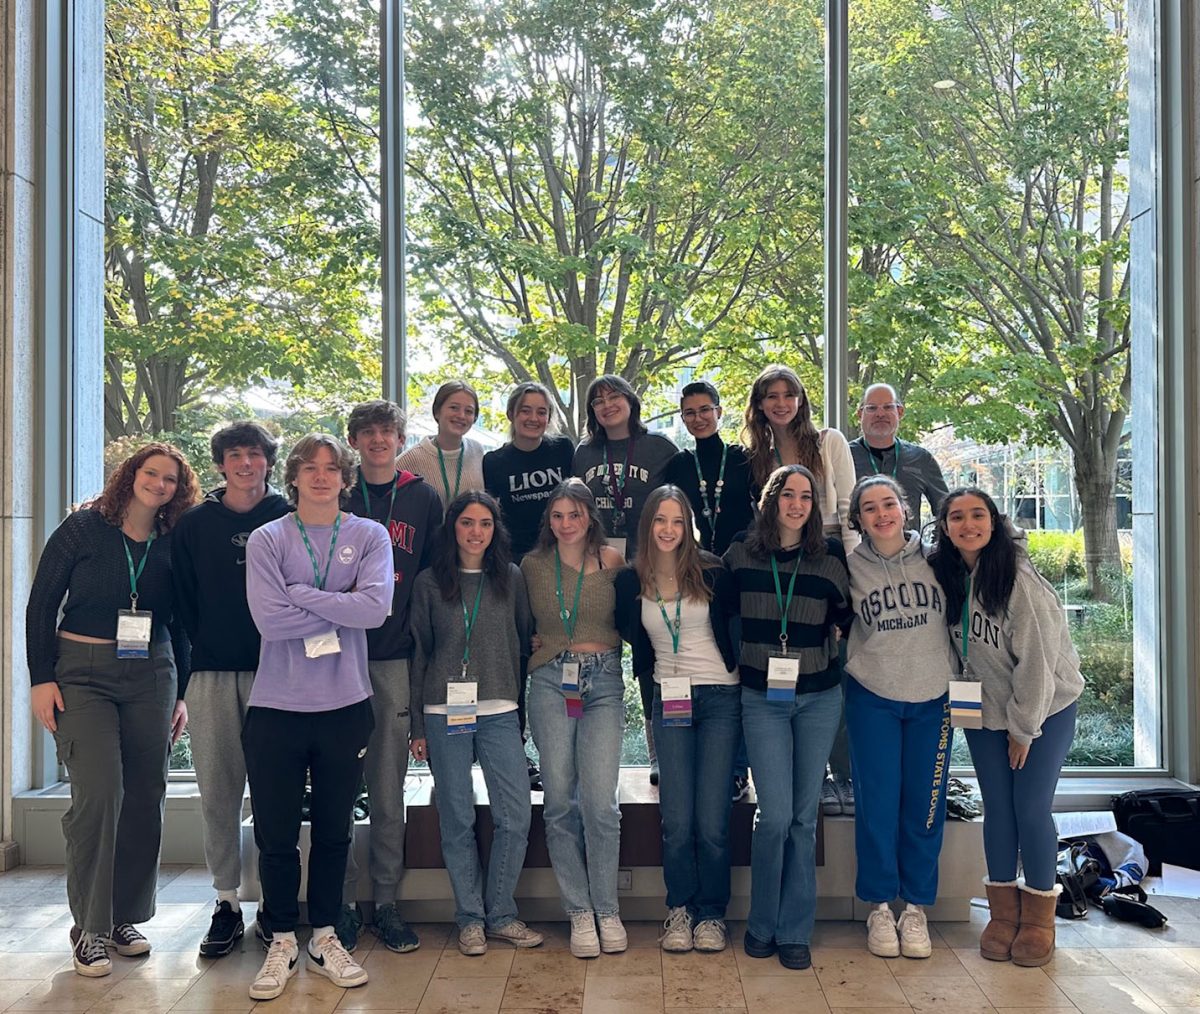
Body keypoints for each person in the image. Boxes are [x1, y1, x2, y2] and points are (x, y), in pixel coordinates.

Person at [26, 442, 198, 977]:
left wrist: (184, 692)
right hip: (82, 671)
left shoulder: (173, 542)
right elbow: (40, 603)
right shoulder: (82, 528)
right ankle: (90, 929)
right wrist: (40, 679)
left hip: (153, 671)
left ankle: (124, 917)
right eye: (152, 473)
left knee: (146, 792)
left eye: (171, 479)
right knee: (101, 791)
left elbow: (185, 621)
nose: (160, 485)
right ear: (131, 475)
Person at [242, 434, 392, 1002]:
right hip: (276, 707)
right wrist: (337, 603)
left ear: (346, 477)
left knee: (334, 832)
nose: (323, 477)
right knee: (276, 833)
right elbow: (269, 622)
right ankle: (280, 935)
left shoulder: (369, 535)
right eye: (312, 468)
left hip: (345, 705)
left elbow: (375, 609)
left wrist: (299, 594)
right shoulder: (268, 538)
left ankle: (325, 935)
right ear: (295, 477)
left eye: (333, 468)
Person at [928, 487, 1083, 968]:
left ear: (994, 522)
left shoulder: (1017, 580)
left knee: (1031, 809)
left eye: (978, 515)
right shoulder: (949, 575)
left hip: (1043, 710)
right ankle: (1002, 914)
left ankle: (1039, 918)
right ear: (945, 527)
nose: (967, 524)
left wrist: (1024, 729)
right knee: (998, 809)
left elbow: (1038, 663)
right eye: (957, 517)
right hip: (984, 712)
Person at [722, 464, 851, 971]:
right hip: (762, 698)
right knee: (774, 816)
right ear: (770, 500)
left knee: (802, 817)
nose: (796, 504)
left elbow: (846, 615)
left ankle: (795, 929)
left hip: (819, 697)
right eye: (787, 495)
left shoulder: (830, 558)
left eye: (806, 496)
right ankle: (761, 924)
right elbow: (721, 614)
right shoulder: (740, 553)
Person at [171, 422, 290, 959]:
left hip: (280, 674)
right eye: (235, 455)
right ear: (221, 463)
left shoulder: (289, 516)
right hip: (213, 674)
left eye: (256, 454)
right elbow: (182, 604)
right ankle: (225, 903)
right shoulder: (194, 525)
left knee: (273, 795)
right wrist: (190, 671)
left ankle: (271, 903)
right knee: (219, 792)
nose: (246, 463)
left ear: (268, 461)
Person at [408, 491, 544, 956]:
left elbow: (524, 642)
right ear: (453, 527)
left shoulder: (510, 577)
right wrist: (416, 728)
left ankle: (501, 912)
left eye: (485, 523)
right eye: (467, 522)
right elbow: (419, 654)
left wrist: (523, 713)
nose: (476, 532)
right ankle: (469, 918)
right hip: (443, 713)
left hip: (500, 711)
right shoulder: (429, 583)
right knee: (457, 818)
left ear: (495, 530)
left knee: (515, 815)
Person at [615, 486, 740, 954]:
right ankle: (680, 910)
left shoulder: (712, 570)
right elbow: (630, 639)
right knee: (677, 820)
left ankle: (711, 915)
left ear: (688, 526)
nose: (668, 530)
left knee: (711, 820)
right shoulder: (631, 582)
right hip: (668, 701)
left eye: (677, 521)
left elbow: (734, 629)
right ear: (646, 525)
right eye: (660, 521)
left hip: (721, 698)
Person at [338, 399, 443, 953]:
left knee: (386, 788)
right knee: (337, 789)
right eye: (368, 432)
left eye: (388, 431)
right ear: (353, 440)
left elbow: (432, 578)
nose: (378, 439)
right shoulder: (336, 492)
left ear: (401, 439)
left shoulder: (422, 497)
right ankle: (342, 903)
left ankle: (385, 902)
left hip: (395, 657)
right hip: (331, 655)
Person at [843, 475, 956, 960]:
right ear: (859, 519)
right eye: (870, 508)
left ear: (905, 509)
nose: (881, 514)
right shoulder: (848, 568)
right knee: (878, 807)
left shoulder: (939, 562)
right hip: (873, 696)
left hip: (935, 699)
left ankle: (915, 908)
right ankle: (880, 907)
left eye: (889, 504)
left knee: (924, 810)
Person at [521, 480, 627, 958]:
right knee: (559, 799)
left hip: (603, 681)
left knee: (601, 802)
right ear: (549, 520)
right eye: (557, 515)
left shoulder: (613, 562)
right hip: (549, 681)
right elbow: (520, 624)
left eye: (575, 514)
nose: (566, 524)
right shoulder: (531, 566)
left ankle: (607, 908)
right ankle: (579, 910)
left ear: (590, 517)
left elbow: (630, 619)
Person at [572, 374, 676, 783]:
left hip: (650, 566)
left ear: (631, 401)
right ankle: (592, 754)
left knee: (653, 655)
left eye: (614, 396)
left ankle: (658, 751)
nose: (607, 405)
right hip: (599, 567)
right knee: (596, 651)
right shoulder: (584, 452)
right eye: (598, 401)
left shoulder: (660, 448)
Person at [742, 364, 858, 552]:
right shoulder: (758, 455)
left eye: (789, 395)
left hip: (830, 543)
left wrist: (853, 561)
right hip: (782, 547)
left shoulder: (830, 442)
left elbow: (849, 508)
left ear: (800, 400)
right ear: (760, 404)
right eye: (772, 396)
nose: (781, 404)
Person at [483, 381, 575, 562]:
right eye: (525, 411)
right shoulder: (493, 461)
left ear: (548, 418)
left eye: (541, 412)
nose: (534, 418)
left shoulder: (562, 448)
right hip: (517, 557)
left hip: (562, 551)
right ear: (511, 414)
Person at [663, 380, 754, 556]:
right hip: (698, 561)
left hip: (745, 558)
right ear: (683, 418)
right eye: (690, 413)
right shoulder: (680, 464)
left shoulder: (743, 458)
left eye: (705, 410)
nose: (698, 418)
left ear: (718, 412)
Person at [849, 384, 948, 531]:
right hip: (855, 551)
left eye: (888, 407)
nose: (880, 414)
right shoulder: (844, 456)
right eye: (872, 408)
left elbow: (946, 512)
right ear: (859, 414)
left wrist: (934, 549)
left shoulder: (921, 459)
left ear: (900, 412)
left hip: (909, 552)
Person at [397, 380, 485, 507]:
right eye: (454, 408)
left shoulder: (477, 451)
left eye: (469, 411)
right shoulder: (410, 459)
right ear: (437, 411)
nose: (461, 415)